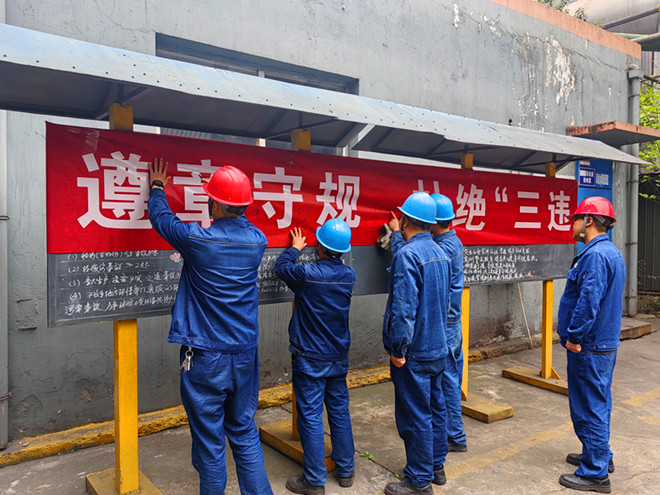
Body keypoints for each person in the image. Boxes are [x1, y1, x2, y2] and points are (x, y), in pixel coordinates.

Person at [148, 158, 273, 495]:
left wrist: (157, 187)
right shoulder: (257, 241)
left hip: (205, 356)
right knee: (244, 431)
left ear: (214, 204)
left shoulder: (197, 240)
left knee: (210, 442)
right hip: (244, 353)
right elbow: (240, 220)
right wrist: (226, 193)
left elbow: (162, 219)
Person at [274, 218, 356, 495]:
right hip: (338, 356)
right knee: (339, 412)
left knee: (310, 416)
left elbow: (281, 268)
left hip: (310, 357)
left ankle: (314, 480)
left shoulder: (308, 275)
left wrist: (294, 248)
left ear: (319, 246)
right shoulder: (349, 275)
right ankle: (345, 471)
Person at [382, 192, 452, 495]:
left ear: (406, 220)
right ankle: (436, 467)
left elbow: (403, 308)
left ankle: (419, 480)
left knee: (415, 415)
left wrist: (398, 349)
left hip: (415, 351)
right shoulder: (441, 252)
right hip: (438, 346)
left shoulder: (407, 256)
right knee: (436, 408)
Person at [557, 196, 625, 494]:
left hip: (590, 345)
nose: (572, 224)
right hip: (603, 343)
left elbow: (588, 302)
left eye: (576, 219)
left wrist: (574, 337)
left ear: (589, 221)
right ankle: (599, 454)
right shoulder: (610, 252)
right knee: (599, 401)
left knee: (590, 406)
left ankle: (595, 473)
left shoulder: (595, 256)